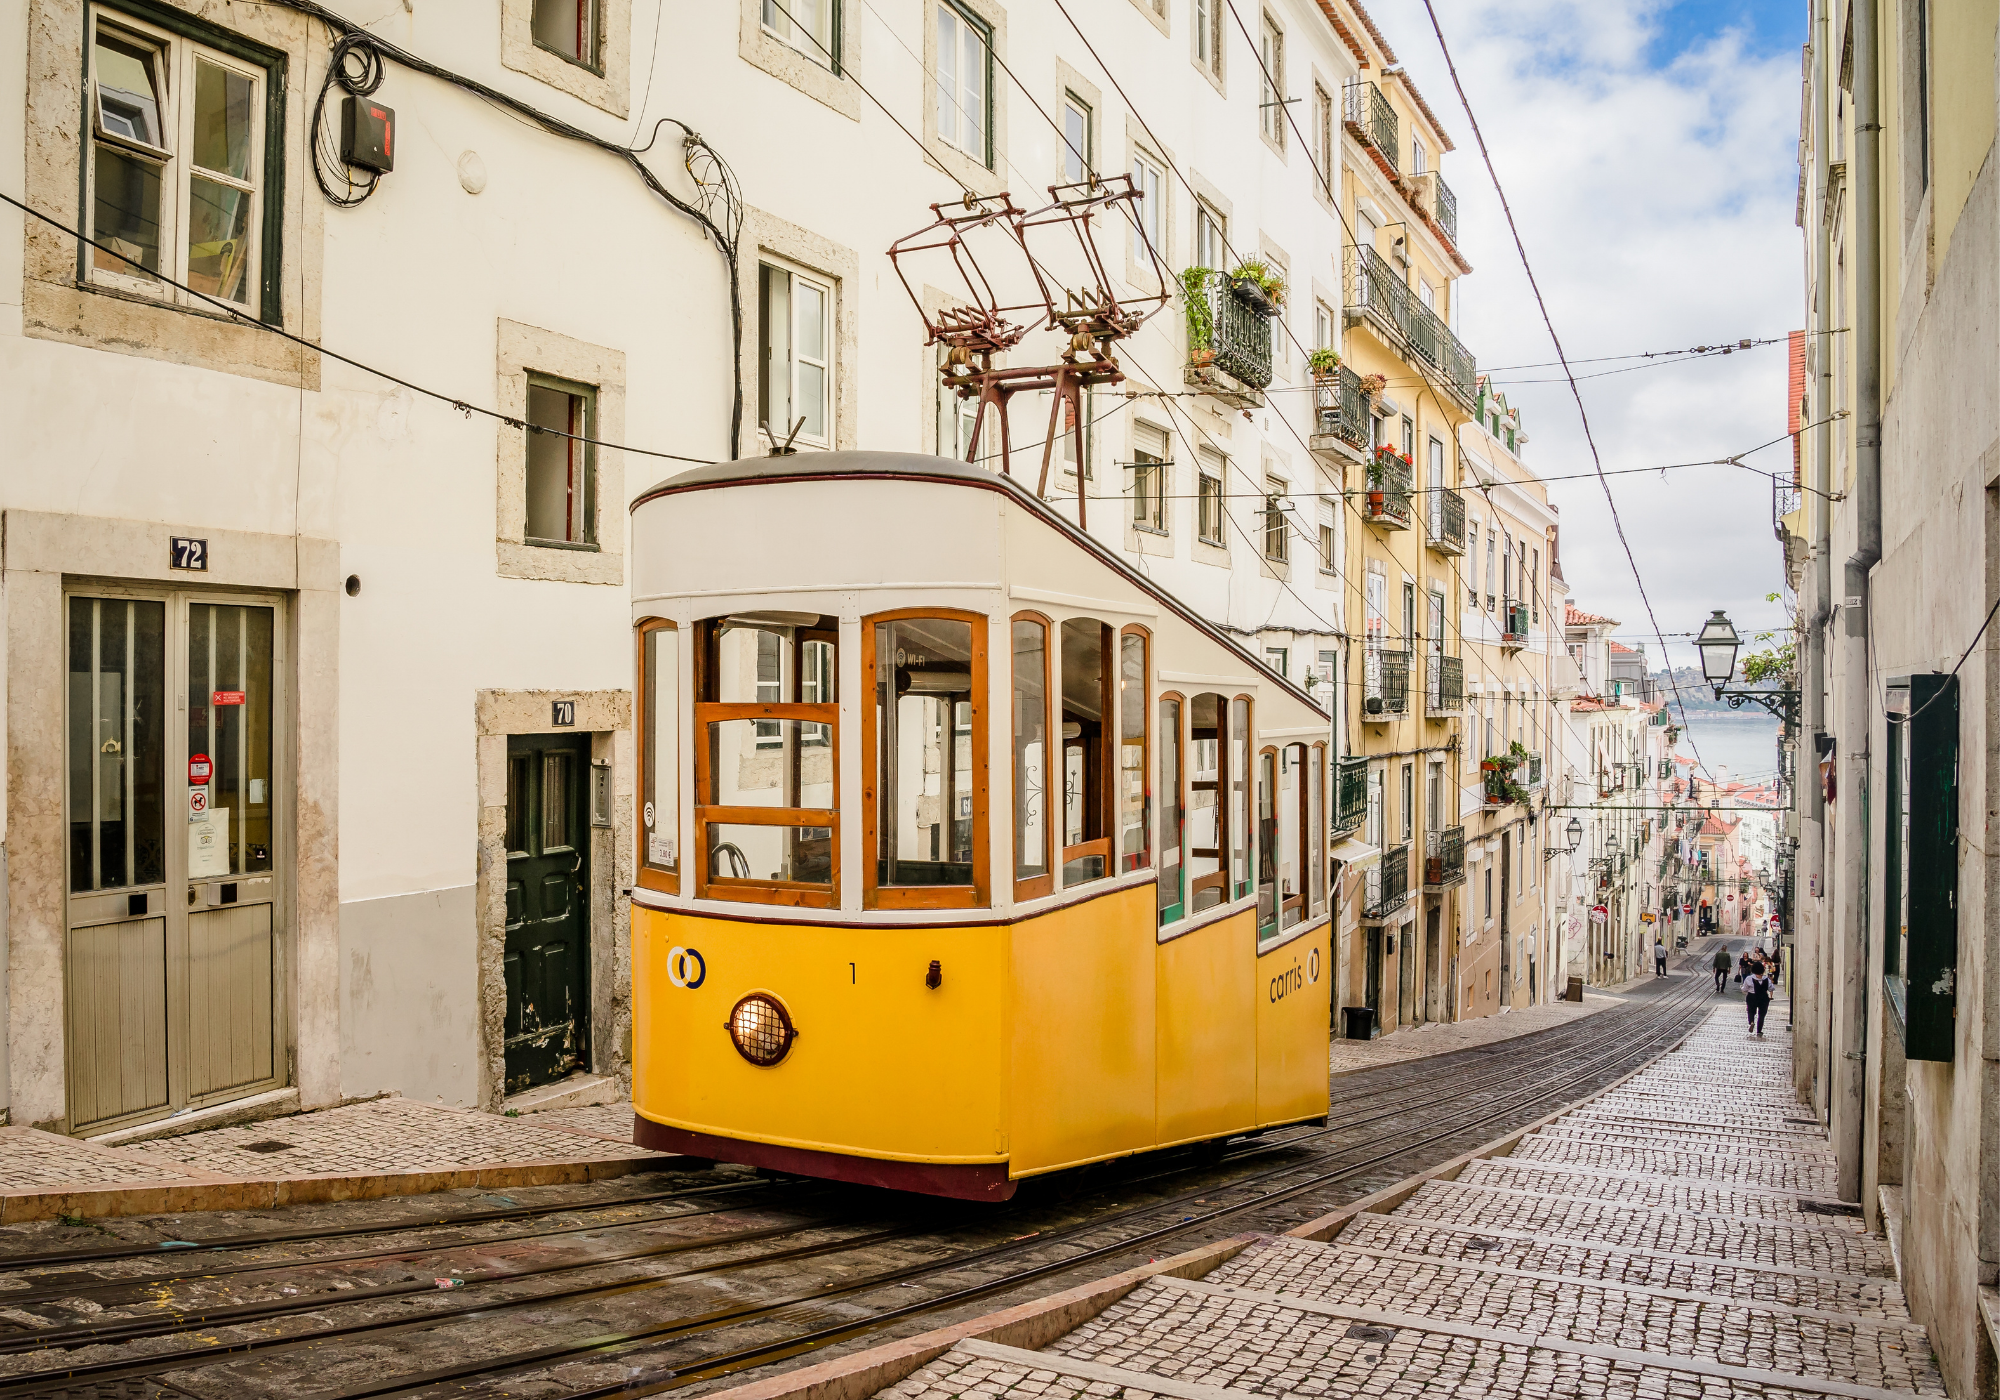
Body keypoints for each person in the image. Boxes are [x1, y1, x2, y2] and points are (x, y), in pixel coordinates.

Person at [1744, 963, 1774, 1037]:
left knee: (1751, 1010)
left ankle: (1751, 1022)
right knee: (1762, 1014)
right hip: (1763, 998)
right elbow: (1771, 988)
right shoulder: (1766, 979)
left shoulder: (1749, 978)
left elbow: (1744, 989)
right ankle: (1759, 1031)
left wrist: (1743, 988)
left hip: (1752, 997)